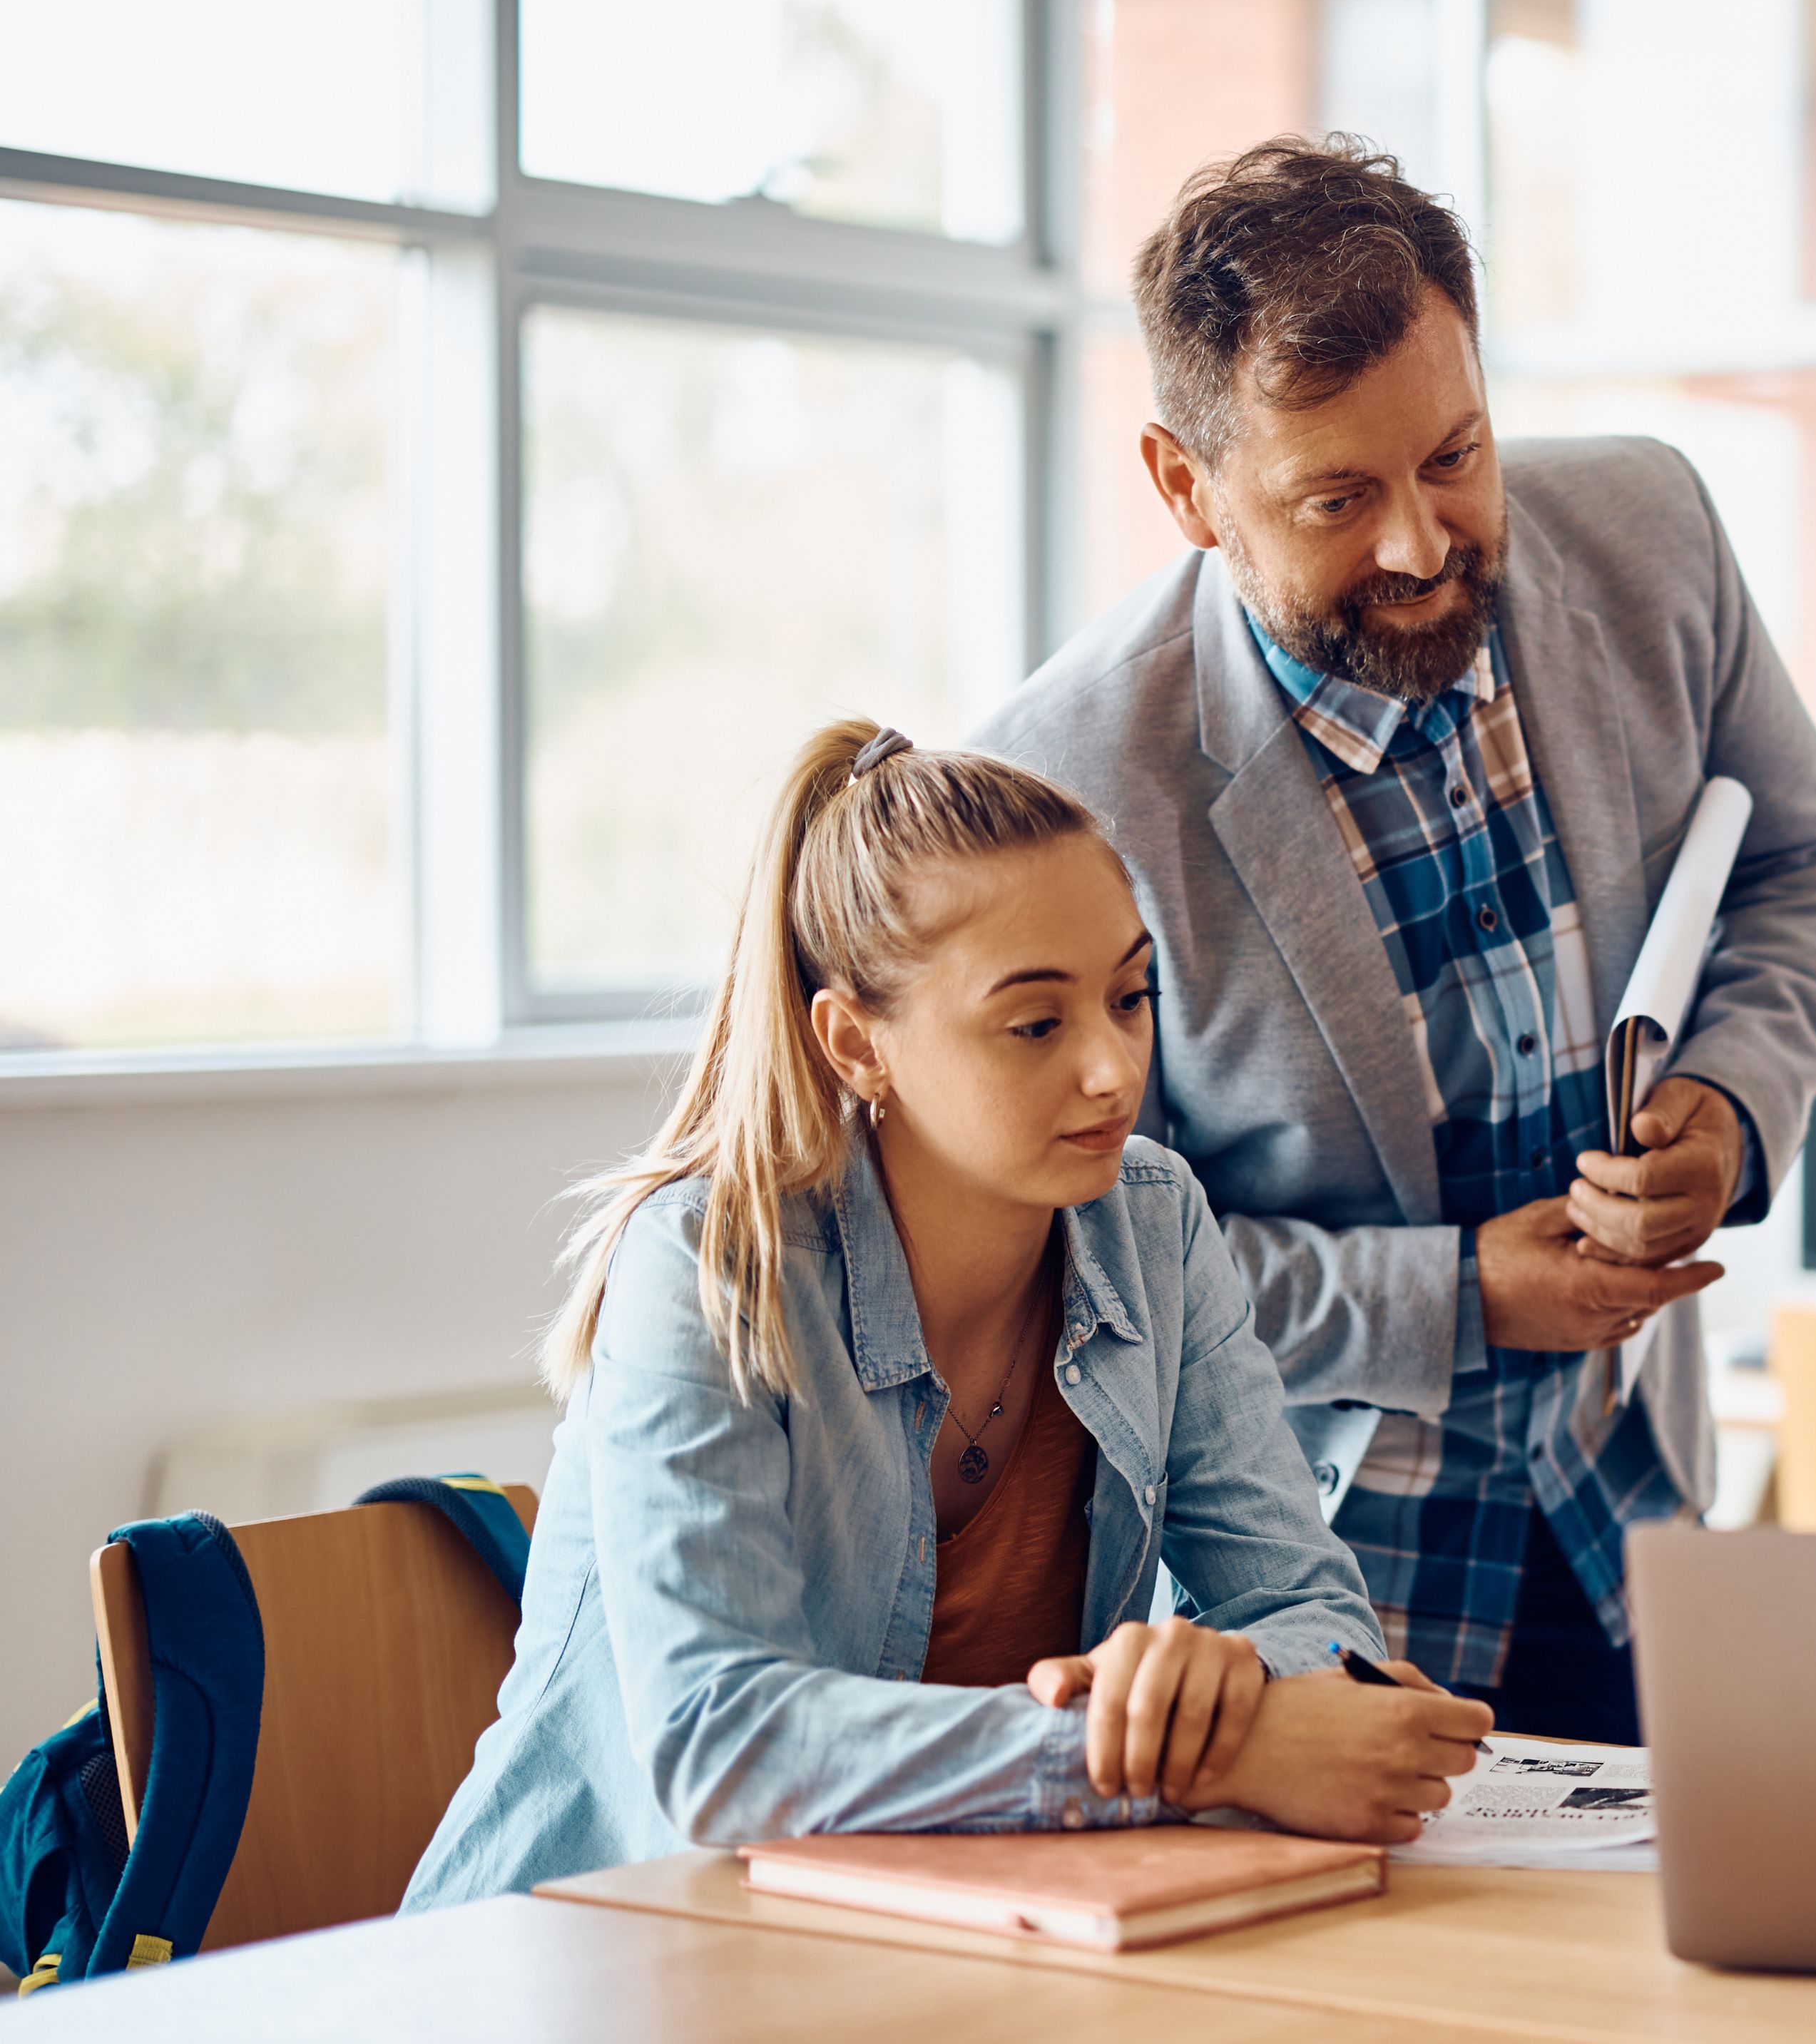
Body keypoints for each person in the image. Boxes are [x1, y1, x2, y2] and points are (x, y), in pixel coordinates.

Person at [972, 140, 1816, 1747]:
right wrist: (1458, 1299)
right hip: (1318, 1598)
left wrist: (1732, 1108)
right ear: (1186, 486)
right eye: (1336, 497)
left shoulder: (1651, 526)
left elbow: (1815, 860)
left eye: (1454, 456)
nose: (1420, 542)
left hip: (1638, 1524)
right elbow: (1091, 1270)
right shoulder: (1066, 783)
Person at [407, 722, 1490, 1906]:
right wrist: (1184, 1756)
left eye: (1131, 997)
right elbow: (720, 1743)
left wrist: (1205, 1684)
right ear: (856, 1044)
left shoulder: (1156, 1222)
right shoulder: (713, 1264)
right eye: (1036, 1024)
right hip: (590, 1953)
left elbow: (1311, 1612)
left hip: (927, 1943)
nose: (1113, 1071)